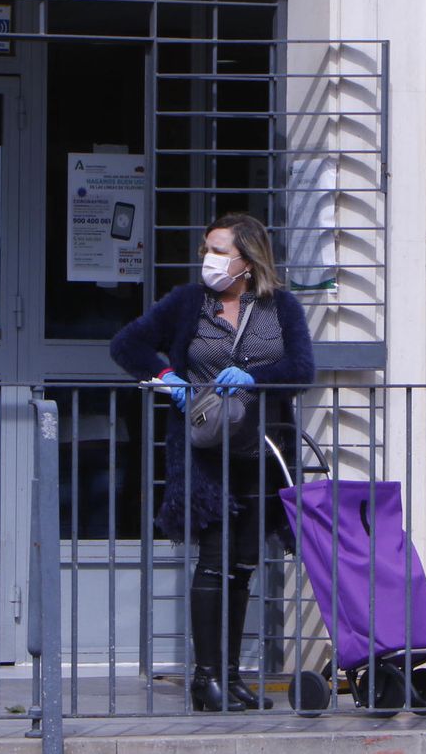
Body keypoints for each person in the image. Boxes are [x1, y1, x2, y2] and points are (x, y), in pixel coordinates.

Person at [110, 212, 315, 712]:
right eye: (207, 248)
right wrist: (166, 377)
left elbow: (301, 369)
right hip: (206, 449)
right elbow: (127, 343)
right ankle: (206, 679)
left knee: (244, 560)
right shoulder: (187, 303)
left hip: (263, 448)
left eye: (220, 250)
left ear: (248, 259)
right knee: (215, 558)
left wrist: (255, 379)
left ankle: (230, 676)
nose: (210, 259)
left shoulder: (280, 307)